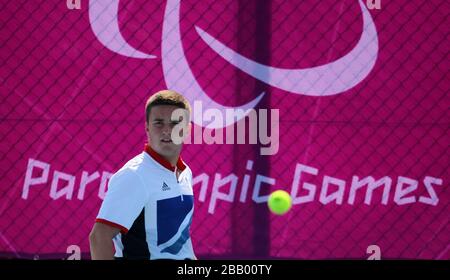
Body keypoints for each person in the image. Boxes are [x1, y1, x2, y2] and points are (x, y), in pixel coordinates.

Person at [89, 90, 196, 260]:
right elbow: (99, 238)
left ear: (188, 129)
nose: (167, 130)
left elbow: (182, 242)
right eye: (159, 123)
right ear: (147, 127)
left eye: (176, 123)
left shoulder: (185, 173)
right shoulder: (134, 176)